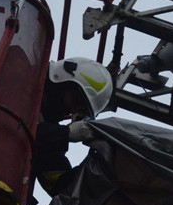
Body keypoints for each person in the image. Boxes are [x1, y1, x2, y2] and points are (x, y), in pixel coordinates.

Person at [31, 57, 113, 197]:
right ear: (63, 79)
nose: (72, 110)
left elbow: (62, 187)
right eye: (76, 100)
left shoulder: (48, 131)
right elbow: (11, 131)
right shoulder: (21, 77)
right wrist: (65, 134)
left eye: (80, 109)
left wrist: (98, 161)